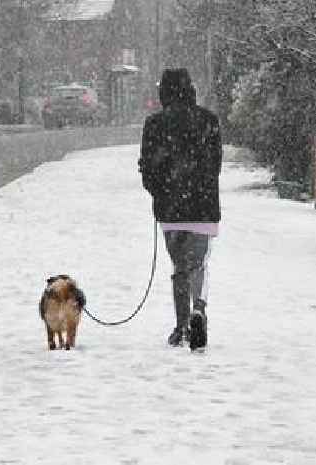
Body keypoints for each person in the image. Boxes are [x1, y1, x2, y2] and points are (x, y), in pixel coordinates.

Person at [138, 68, 223, 351]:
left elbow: (147, 169)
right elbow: (215, 166)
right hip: (203, 206)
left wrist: (161, 191)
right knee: (198, 263)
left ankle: (182, 326)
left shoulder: (154, 124)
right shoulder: (208, 121)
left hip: (171, 209)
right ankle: (199, 308)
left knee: (179, 268)